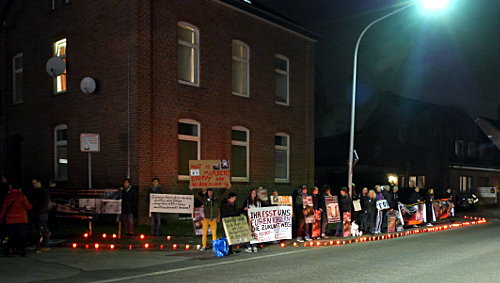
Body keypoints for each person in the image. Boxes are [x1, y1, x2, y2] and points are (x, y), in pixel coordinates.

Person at [0, 183, 32, 257]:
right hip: (21, 220)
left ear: (11, 187)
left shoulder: (7, 197)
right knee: (22, 235)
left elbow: (3, 210)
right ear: (19, 188)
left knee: (8, 236)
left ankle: (7, 251)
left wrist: (1, 219)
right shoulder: (22, 197)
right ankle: (23, 251)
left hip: (9, 221)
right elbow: (28, 207)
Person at [31, 178, 51, 251]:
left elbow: (45, 203)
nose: (34, 185)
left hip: (41, 212)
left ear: (39, 182)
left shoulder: (43, 191)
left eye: (35, 183)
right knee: (37, 229)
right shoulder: (37, 191)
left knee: (43, 229)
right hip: (39, 212)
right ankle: (39, 244)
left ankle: (45, 245)